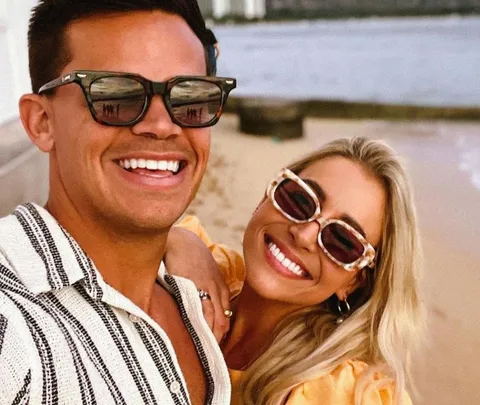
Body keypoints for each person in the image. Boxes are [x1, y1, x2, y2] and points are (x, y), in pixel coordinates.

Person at [0, 1, 236, 403]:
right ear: (42, 122)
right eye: (116, 96)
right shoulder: (14, 328)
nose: (163, 126)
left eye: (189, 98)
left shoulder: (199, 303)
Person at [167, 137, 424, 405]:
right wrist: (176, 240)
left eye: (343, 241)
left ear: (355, 281)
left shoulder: (341, 392)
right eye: (299, 200)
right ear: (268, 195)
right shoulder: (207, 268)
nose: (303, 235)